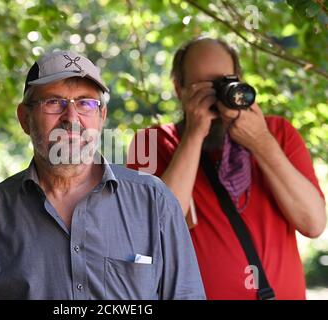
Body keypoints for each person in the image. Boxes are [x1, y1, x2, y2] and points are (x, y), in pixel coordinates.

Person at [0, 50, 205, 300]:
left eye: (86, 103)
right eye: (53, 102)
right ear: (25, 118)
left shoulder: (154, 201)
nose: (71, 118)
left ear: (101, 116)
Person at [127, 37, 326, 300]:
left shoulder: (278, 133)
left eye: (223, 82)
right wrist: (194, 136)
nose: (216, 95)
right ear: (180, 89)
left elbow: (313, 224)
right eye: (203, 86)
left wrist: (261, 143)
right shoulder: (151, 143)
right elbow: (152, 233)